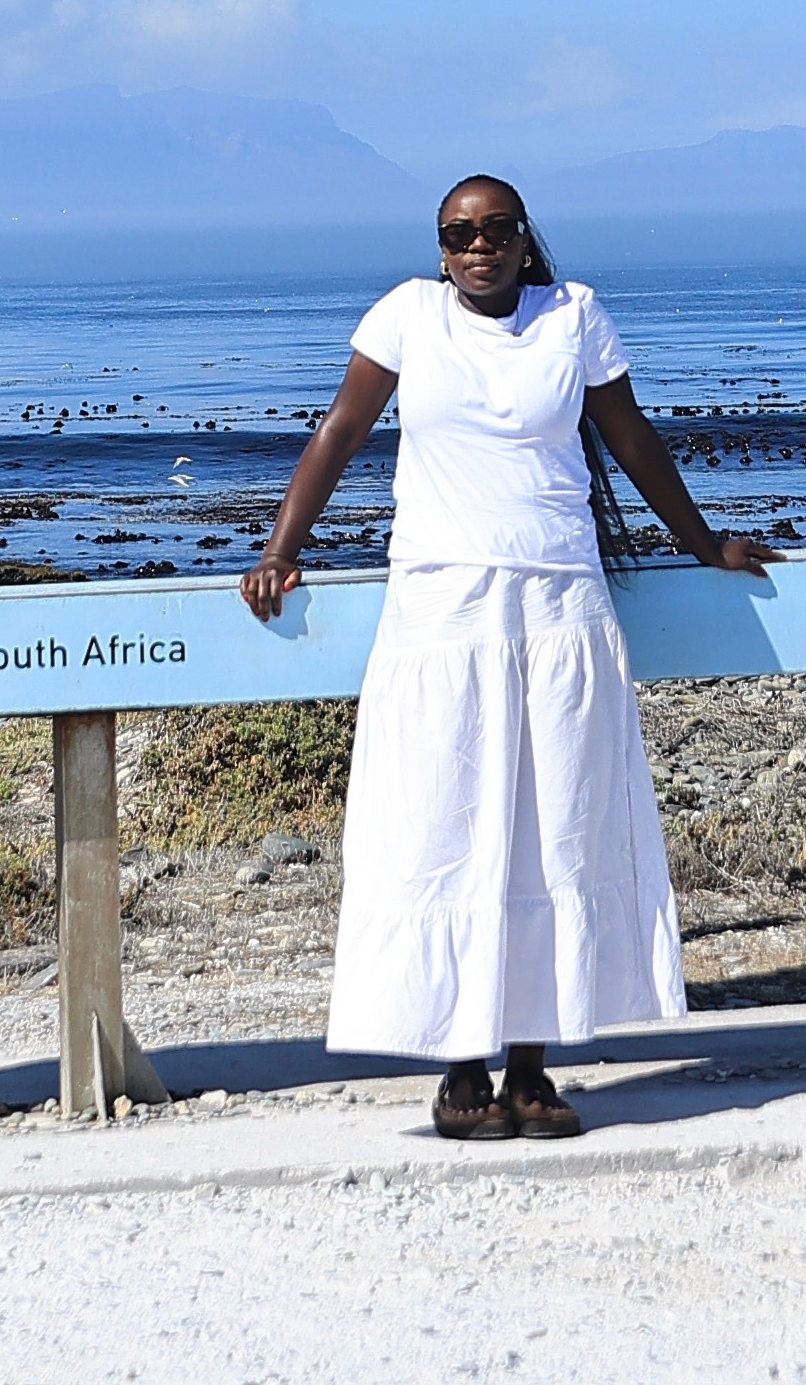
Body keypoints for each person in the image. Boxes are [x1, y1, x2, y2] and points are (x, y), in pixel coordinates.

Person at [242, 175, 771, 1139]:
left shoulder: (575, 316)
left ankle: (531, 1068)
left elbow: (631, 438)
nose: (475, 246)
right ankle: (460, 1069)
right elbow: (340, 431)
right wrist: (283, 547)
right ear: (438, 247)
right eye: (457, 234)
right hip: (443, 609)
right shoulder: (408, 315)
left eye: (493, 231)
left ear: (524, 239)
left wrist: (703, 546)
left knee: (552, 821)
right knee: (448, 825)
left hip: (561, 603)